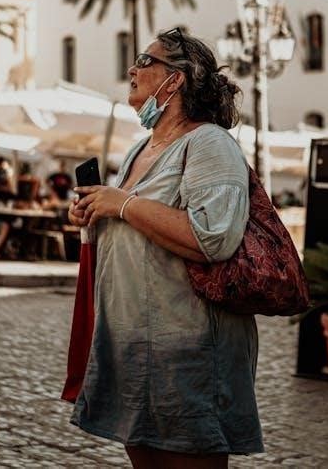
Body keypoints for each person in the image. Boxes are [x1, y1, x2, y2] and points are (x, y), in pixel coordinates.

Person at [68, 27, 264, 468]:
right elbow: (137, 225)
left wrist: (123, 204)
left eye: (145, 61)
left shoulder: (209, 143)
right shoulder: (141, 148)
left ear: (175, 79)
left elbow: (213, 238)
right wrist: (95, 212)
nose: (132, 69)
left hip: (187, 348)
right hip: (134, 341)